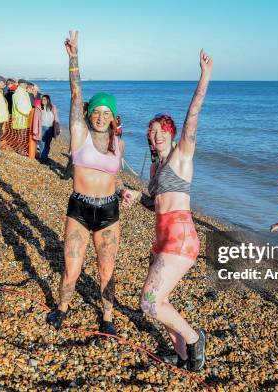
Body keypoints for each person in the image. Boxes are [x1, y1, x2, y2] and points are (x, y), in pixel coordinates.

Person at [125, 50, 213, 372]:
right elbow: (156, 204)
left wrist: (204, 76)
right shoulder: (155, 170)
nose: (156, 133)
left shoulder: (181, 157)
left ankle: (193, 338)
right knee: (159, 301)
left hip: (181, 237)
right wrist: (138, 197)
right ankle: (182, 355)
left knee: (147, 302)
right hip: (161, 238)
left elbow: (192, 117)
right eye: (152, 130)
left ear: (172, 133)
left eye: (162, 128)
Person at [46, 31, 128, 336]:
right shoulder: (79, 134)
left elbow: (114, 176)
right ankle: (62, 308)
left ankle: (107, 316)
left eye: (107, 112)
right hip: (80, 208)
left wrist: (122, 190)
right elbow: (76, 93)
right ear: (90, 113)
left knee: (106, 270)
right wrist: (74, 57)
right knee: (73, 267)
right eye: (97, 110)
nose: (101, 116)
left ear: (113, 117)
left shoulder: (118, 144)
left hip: (109, 211)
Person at [35, 94, 60, 163]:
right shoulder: (39, 108)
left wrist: (57, 129)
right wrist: (35, 130)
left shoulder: (53, 107)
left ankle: (44, 156)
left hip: (50, 128)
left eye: (45, 99)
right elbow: (35, 119)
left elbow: (56, 119)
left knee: (48, 144)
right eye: (42, 99)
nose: (43, 101)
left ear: (48, 100)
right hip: (42, 128)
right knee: (42, 143)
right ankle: (43, 159)